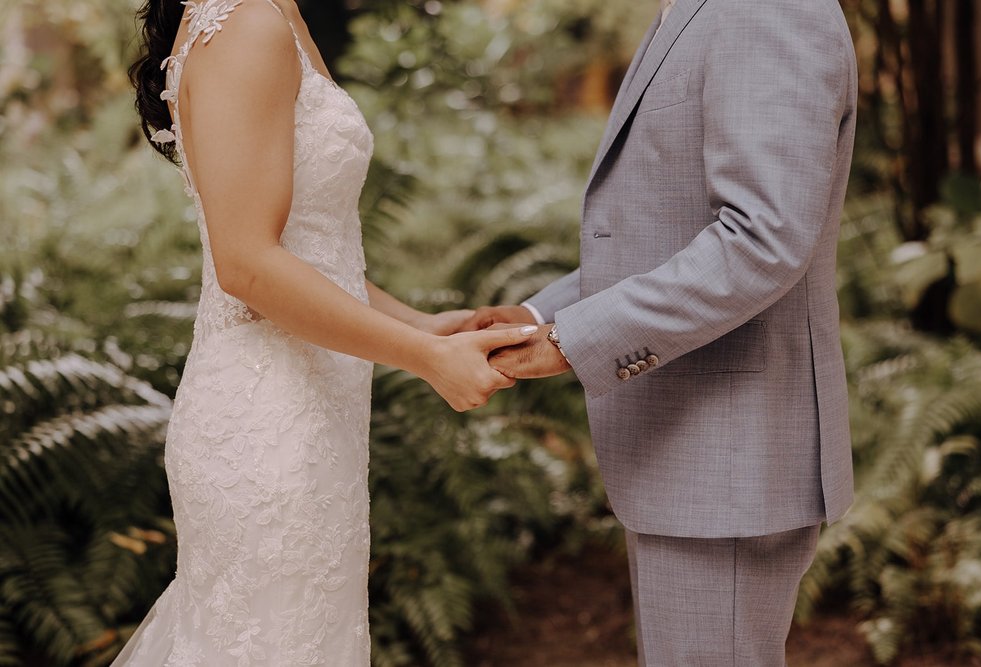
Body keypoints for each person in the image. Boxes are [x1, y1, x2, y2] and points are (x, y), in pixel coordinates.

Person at [114, 0, 535, 664]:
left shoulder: (275, 11)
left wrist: (424, 324)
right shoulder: (245, 20)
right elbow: (248, 264)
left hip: (313, 409)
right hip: (266, 420)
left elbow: (310, 253)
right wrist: (426, 356)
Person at [466, 0, 859, 664]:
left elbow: (760, 240)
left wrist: (573, 340)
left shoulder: (768, 8)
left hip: (730, 455)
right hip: (697, 454)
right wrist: (541, 315)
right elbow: (669, 230)